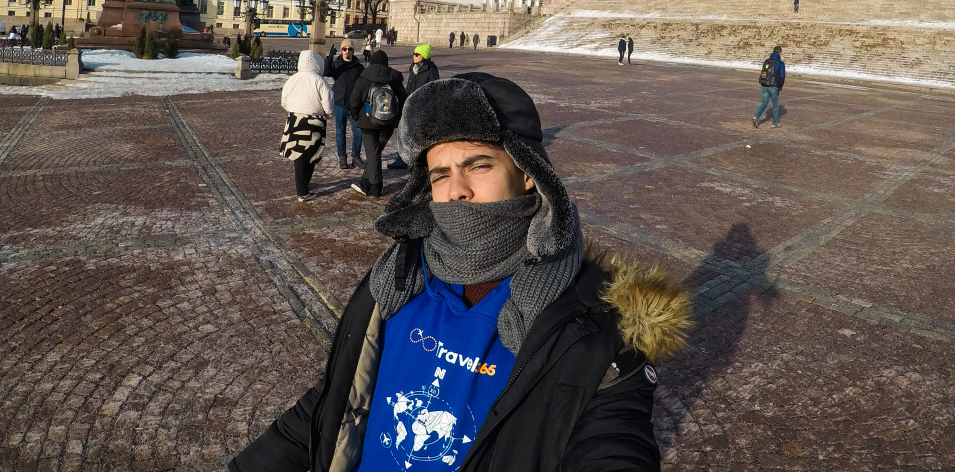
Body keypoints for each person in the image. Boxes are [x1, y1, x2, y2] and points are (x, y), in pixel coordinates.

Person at [230, 72, 693, 472]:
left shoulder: (591, 324)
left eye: (478, 166)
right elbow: (333, 402)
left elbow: (612, 442)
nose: (457, 192)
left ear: (529, 173)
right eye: (440, 175)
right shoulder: (395, 280)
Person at [349, 50, 406, 197]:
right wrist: (397, 118)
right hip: (388, 122)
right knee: (375, 153)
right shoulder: (394, 77)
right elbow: (403, 99)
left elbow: (355, 99)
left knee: (373, 153)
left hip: (367, 122)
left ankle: (376, 187)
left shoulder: (365, 76)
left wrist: (356, 116)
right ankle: (365, 184)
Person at [280, 49, 332, 202]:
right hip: (314, 121)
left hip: (295, 118)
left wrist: (293, 110)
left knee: (298, 154)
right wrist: (326, 115)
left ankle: (303, 186)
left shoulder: (292, 79)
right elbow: (328, 104)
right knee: (311, 154)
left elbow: (284, 100)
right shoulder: (319, 80)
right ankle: (303, 190)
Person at [389, 44, 440, 171]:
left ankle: (419, 163)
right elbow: (409, 86)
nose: (414, 56)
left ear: (424, 56)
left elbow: (434, 89)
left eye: (417, 54)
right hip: (410, 104)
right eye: (413, 53)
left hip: (423, 108)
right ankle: (401, 161)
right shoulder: (413, 67)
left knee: (419, 136)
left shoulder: (431, 69)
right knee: (403, 133)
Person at [324, 39, 365, 170]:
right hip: (339, 104)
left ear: (353, 51)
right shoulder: (337, 65)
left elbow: (364, 85)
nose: (347, 51)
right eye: (344, 49)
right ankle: (342, 158)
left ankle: (356, 157)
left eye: (350, 49)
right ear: (341, 51)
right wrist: (330, 56)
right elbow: (325, 71)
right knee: (340, 133)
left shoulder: (359, 67)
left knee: (358, 132)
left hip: (354, 106)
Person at [753, 45, 786, 128]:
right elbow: (782, 76)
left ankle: (756, 117)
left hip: (765, 84)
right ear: (780, 52)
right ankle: (774, 123)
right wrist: (780, 86)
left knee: (764, 103)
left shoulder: (766, 61)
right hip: (774, 86)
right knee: (775, 105)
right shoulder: (780, 63)